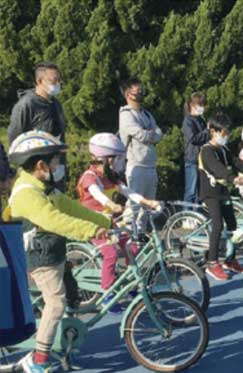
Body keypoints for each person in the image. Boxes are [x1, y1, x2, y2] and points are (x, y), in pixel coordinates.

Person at [6, 131, 110, 373]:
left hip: (53, 254)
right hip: (39, 259)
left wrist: (106, 222)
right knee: (55, 303)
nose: (58, 166)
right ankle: (37, 360)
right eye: (55, 161)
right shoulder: (27, 193)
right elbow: (55, 221)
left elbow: (72, 208)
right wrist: (93, 230)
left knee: (70, 289)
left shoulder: (43, 186)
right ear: (41, 165)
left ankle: (64, 338)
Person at [76, 133, 159, 312]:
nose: (121, 162)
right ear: (106, 159)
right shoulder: (90, 177)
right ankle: (107, 293)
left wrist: (147, 202)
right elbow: (96, 194)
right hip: (91, 224)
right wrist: (111, 205)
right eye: (118, 158)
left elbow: (128, 191)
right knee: (111, 253)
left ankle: (132, 283)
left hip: (108, 222)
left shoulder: (110, 176)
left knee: (132, 247)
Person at [199, 114, 243, 281]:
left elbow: (237, 163)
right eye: (224, 133)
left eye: (228, 133)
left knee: (233, 226)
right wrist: (232, 178)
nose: (226, 136)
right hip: (210, 194)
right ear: (213, 131)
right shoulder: (206, 151)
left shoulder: (224, 149)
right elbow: (218, 169)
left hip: (223, 191)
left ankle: (230, 259)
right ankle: (212, 263)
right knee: (218, 225)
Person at [118, 78, 163, 234]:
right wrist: (149, 134)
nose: (140, 92)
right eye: (137, 90)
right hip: (136, 165)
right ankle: (129, 236)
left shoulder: (147, 114)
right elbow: (139, 133)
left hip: (151, 165)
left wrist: (149, 134)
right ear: (128, 93)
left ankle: (141, 235)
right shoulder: (126, 114)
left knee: (147, 207)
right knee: (134, 205)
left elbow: (158, 133)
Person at [8, 62, 66, 146]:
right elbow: (15, 140)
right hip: (35, 157)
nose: (57, 83)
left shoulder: (56, 104)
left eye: (59, 80)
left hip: (56, 156)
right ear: (39, 81)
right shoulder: (26, 105)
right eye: (53, 80)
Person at [182, 92, 209, 206]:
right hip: (192, 159)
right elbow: (193, 138)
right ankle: (186, 216)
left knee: (199, 192)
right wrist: (207, 131)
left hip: (202, 160)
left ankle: (196, 217)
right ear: (192, 105)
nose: (202, 108)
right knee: (191, 191)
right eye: (200, 105)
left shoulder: (201, 120)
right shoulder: (188, 121)